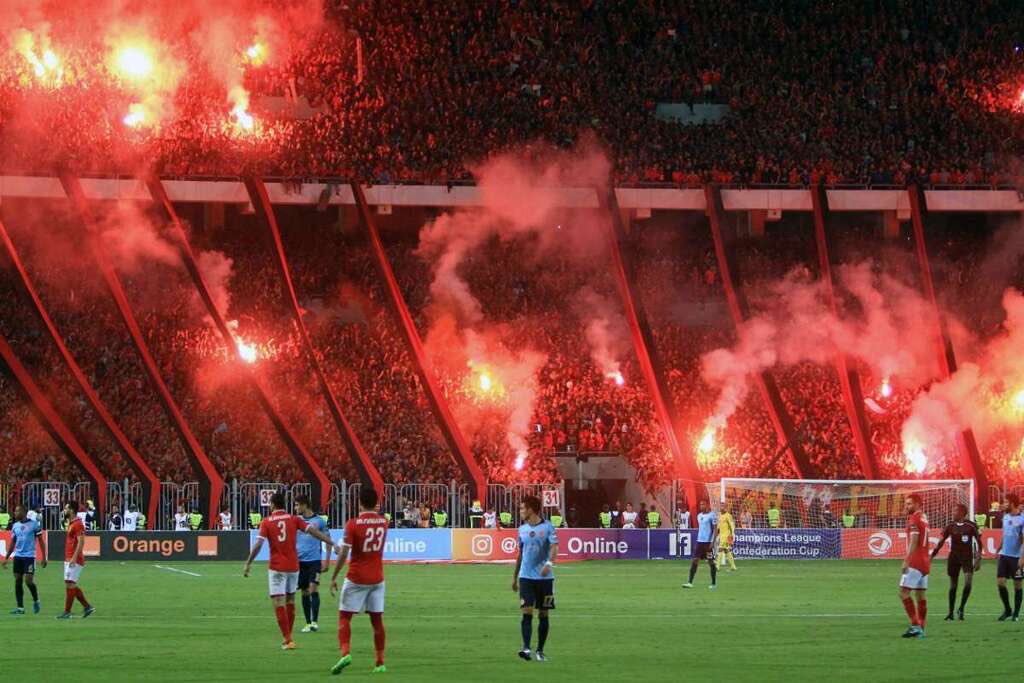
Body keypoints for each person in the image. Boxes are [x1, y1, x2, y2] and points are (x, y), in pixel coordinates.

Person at [242, 493, 339, 650]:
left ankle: (288, 639)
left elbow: (259, 544)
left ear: (272, 505)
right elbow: (313, 532)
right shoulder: (294, 519)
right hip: (294, 566)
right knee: (291, 600)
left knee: (278, 601)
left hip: (277, 567)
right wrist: (332, 542)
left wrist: (248, 562)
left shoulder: (266, 522)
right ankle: (289, 637)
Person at [329, 486, 389, 675]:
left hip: (356, 577)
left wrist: (333, 576)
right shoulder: (383, 522)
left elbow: (345, 552)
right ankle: (380, 663)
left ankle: (345, 653)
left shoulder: (353, 524)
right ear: (376, 503)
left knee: (344, 617)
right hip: (377, 578)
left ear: (359, 503)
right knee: (377, 621)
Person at [512, 495, 558, 663]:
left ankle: (540, 650)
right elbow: (520, 554)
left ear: (531, 509)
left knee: (543, 613)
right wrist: (514, 577)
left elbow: (554, 548)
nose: (521, 511)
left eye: (523, 508)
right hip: (526, 578)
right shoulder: (522, 529)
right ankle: (526, 648)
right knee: (527, 611)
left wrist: (549, 562)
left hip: (545, 580)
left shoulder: (548, 527)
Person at [929, 503, 981, 621]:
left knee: (968, 583)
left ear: (962, 513)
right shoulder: (950, 526)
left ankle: (961, 608)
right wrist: (931, 557)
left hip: (967, 557)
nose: (952, 513)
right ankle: (950, 612)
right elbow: (941, 542)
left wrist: (978, 559)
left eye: (955, 511)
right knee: (953, 586)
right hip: (954, 558)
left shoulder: (971, 526)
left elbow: (979, 542)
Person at [2, 504, 47, 614]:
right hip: (18, 557)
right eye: (15, 511)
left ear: (23, 512)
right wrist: (6, 558)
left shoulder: (34, 525)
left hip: (29, 557)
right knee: (18, 580)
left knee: (28, 581)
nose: (15, 513)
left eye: (17, 511)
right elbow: (13, 543)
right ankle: (20, 608)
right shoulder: (15, 526)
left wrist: (44, 557)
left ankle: (36, 600)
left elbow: (41, 541)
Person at [294, 495, 330, 634]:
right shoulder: (296, 521)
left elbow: (327, 540)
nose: (296, 508)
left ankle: (315, 622)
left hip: (314, 561)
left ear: (305, 505)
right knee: (304, 591)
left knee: (313, 589)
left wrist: (326, 560)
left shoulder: (319, 521)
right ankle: (308, 623)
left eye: (297, 505)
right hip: (300, 562)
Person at [898, 494, 930, 638]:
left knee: (903, 592)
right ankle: (921, 627)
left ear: (917, 504)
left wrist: (907, 559)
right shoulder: (924, 517)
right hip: (925, 561)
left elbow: (914, 540)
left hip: (916, 561)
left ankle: (915, 625)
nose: (906, 506)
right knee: (920, 594)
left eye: (909, 504)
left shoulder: (914, 519)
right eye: (906, 503)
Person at [57, 501, 94, 620]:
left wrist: (73, 557)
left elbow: (81, 542)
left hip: (75, 559)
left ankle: (67, 612)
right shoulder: (72, 523)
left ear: (72, 510)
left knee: (70, 584)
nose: (65, 510)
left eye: (66, 508)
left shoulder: (78, 524)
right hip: (69, 557)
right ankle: (87, 607)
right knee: (70, 584)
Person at [995, 494, 1024, 622]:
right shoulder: (1005, 517)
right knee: (1000, 582)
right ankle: (1007, 609)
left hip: (1017, 557)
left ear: (1012, 503)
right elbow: (1005, 534)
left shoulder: (1022, 519)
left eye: (1006, 502)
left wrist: (1022, 558)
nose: (1004, 504)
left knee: (1017, 585)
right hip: (1004, 555)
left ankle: (1016, 614)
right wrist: (999, 548)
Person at [684, 500, 717, 590]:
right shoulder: (699, 516)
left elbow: (715, 530)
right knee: (695, 560)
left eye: (703, 504)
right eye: (700, 504)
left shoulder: (712, 515)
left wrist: (712, 542)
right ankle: (689, 582)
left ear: (707, 505)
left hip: (707, 543)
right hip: (699, 542)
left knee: (711, 562)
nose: (701, 506)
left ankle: (713, 583)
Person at [717, 506, 737, 572]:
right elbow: (719, 527)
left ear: (725, 508)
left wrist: (732, 534)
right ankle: (733, 566)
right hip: (721, 535)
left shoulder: (728, 516)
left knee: (720, 549)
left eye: (723, 507)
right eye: (721, 507)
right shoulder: (720, 516)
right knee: (727, 550)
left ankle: (717, 567)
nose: (721, 509)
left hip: (726, 536)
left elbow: (732, 525)